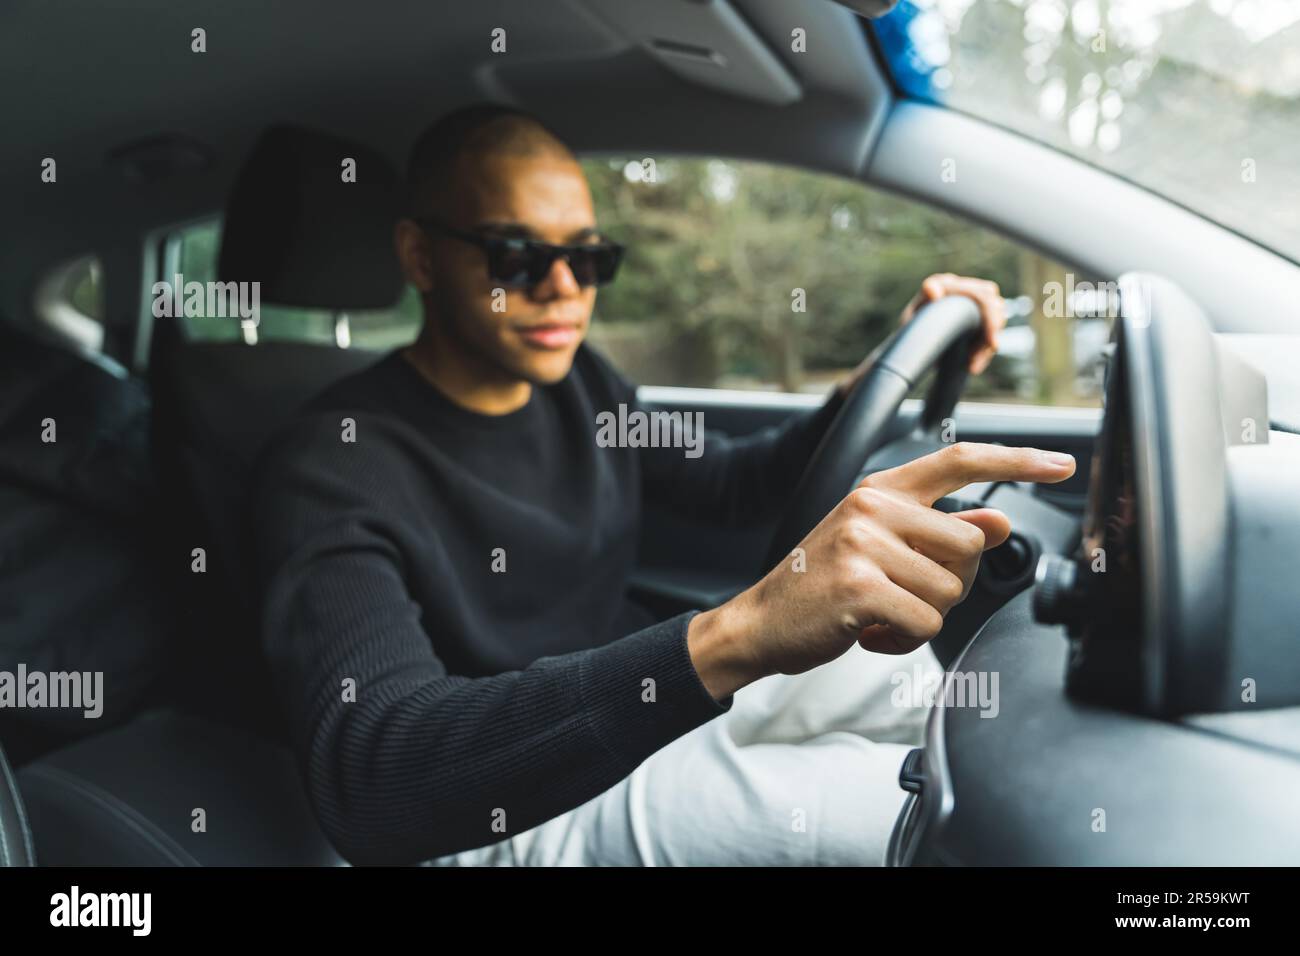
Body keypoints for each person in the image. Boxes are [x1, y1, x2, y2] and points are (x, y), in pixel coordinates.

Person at [253, 104, 1075, 866]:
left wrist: (881, 368)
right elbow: (374, 775)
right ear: (421, 256)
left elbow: (730, 484)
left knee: (962, 692)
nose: (564, 287)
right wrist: (736, 633)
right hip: (500, 800)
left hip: (640, 701)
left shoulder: (582, 389)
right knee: (900, 813)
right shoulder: (331, 464)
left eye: (587, 256)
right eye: (518, 255)